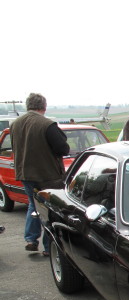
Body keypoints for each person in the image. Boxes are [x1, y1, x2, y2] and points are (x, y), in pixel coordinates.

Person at [10, 93, 69, 256]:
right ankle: (48, 247)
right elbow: (63, 149)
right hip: (46, 174)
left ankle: (31, 239)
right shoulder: (47, 124)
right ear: (44, 106)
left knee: (33, 205)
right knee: (49, 209)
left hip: (24, 173)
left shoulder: (15, 124)